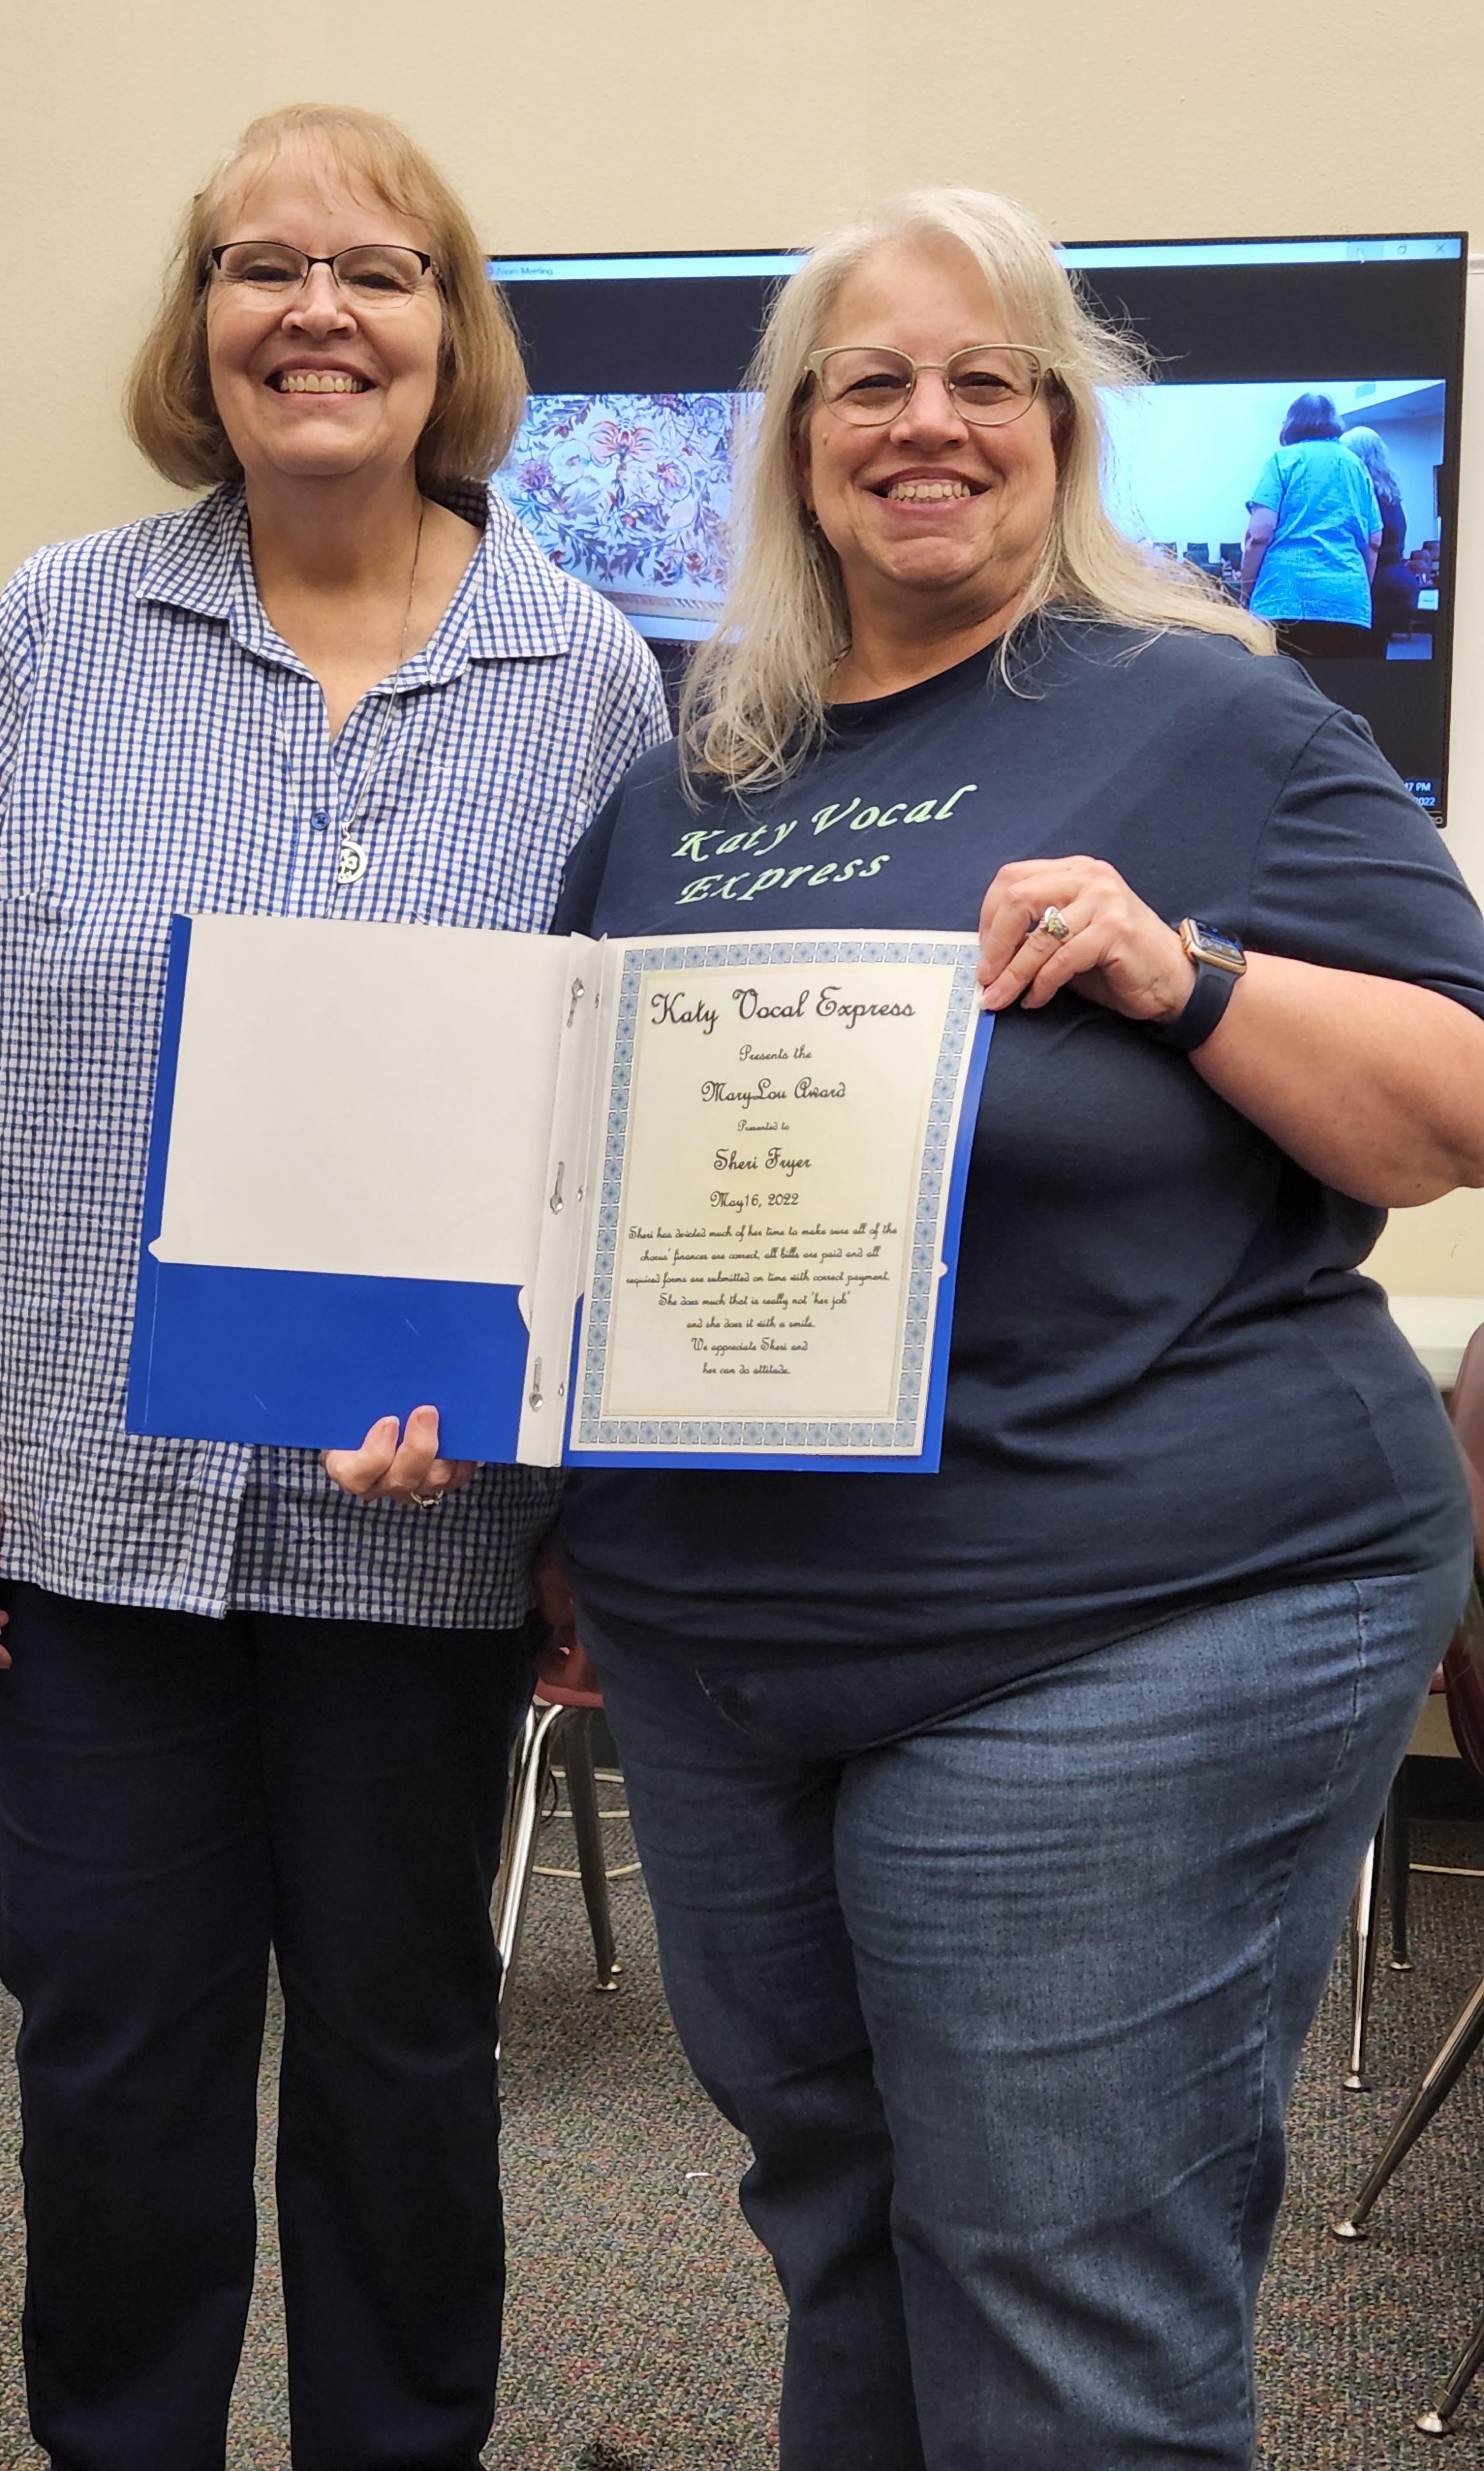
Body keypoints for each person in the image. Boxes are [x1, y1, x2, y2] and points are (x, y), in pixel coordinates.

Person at [547, 190, 1484, 2470]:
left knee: (1053, 2279)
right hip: (725, 1644)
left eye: (985, 379)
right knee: (841, 2219)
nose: (926, 421)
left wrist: (1186, 975)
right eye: (868, 381)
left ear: (1058, 429)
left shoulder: (1208, 717)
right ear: (793, 441)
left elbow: (1455, 1102)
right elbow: (576, 1181)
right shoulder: (684, 781)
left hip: (1123, 1610)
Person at [0, 102, 664, 2471]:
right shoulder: (59, 628)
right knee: (111, 2059)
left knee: (406, 2065)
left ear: (449, 328)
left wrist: (574, 1481)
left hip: (424, 1525)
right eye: (259, 264)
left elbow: (610, 1113)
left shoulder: (588, 674)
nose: (316, 310)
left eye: (376, 269)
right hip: (88, 1514)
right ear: (197, 321)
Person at [1240, 389, 1381, 653]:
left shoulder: (1281, 461)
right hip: (1348, 600)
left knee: (1284, 678)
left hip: (1284, 597)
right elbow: (1374, 541)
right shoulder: (1356, 466)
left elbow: (1259, 535)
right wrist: (1358, 592)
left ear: (1291, 423)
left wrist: (1245, 595)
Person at [1341, 421, 1425, 654]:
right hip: (1400, 584)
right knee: (1375, 656)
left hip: (1377, 585)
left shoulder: (1363, 495)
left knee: (1356, 658)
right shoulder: (1390, 494)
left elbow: (1371, 544)